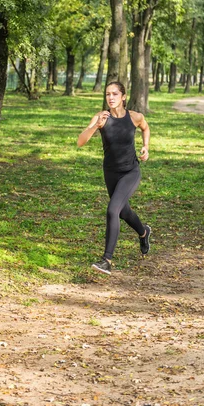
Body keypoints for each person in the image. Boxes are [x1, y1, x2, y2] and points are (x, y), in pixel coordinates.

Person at [77, 81, 151, 275]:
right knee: (124, 212)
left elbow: (146, 128)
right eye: (108, 94)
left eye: (115, 94)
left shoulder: (134, 116)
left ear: (123, 97)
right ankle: (144, 232)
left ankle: (106, 260)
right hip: (110, 172)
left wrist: (146, 147)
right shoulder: (101, 117)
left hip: (130, 172)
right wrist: (96, 126)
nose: (110, 97)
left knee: (113, 210)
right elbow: (80, 142)